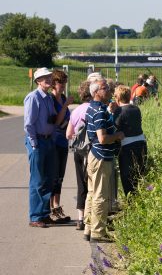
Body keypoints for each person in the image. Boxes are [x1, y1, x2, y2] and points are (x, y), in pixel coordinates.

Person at [83, 78, 124, 242]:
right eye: (104, 88)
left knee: (92, 194)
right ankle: (98, 232)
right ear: (96, 92)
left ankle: (88, 227)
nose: (109, 90)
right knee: (101, 195)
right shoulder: (99, 111)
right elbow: (102, 138)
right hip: (101, 156)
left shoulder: (93, 108)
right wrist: (117, 136)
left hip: (94, 155)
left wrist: (110, 112)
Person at [24, 68, 57, 228]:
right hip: (37, 141)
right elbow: (28, 124)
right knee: (37, 180)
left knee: (48, 178)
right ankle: (35, 216)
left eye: (49, 77)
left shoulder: (49, 98)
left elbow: (52, 119)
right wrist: (34, 144)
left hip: (48, 140)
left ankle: (44, 214)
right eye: (44, 78)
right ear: (37, 81)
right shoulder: (33, 97)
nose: (48, 80)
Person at [66, 80, 92, 231]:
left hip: (79, 151)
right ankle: (91, 217)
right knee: (93, 184)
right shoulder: (96, 109)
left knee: (81, 184)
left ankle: (80, 219)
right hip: (92, 150)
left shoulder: (75, 111)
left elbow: (68, 134)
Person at [113, 85, 148, 196]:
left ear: (117, 98)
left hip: (127, 146)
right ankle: (141, 197)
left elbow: (115, 128)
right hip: (141, 142)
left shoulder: (119, 111)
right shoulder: (136, 108)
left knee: (127, 177)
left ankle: (131, 202)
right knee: (139, 174)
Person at [49, 69, 74, 223]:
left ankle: (57, 206)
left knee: (60, 176)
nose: (63, 85)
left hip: (64, 140)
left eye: (64, 82)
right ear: (53, 83)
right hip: (54, 140)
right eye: (60, 82)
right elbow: (57, 122)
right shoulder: (51, 99)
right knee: (52, 175)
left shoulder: (63, 97)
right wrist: (65, 106)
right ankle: (51, 207)